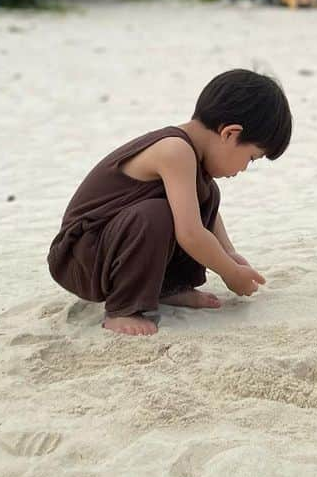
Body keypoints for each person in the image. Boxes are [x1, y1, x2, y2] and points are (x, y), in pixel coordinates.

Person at [47, 70, 292, 336]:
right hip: (80, 257)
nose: (245, 168)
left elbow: (204, 218)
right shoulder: (175, 150)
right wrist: (229, 271)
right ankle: (122, 308)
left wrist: (229, 253)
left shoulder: (195, 162)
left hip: (110, 247)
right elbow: (191, 234)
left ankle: (168, 287)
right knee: (157, 214)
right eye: (252, 158)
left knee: (205, 193)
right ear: (230, 134)